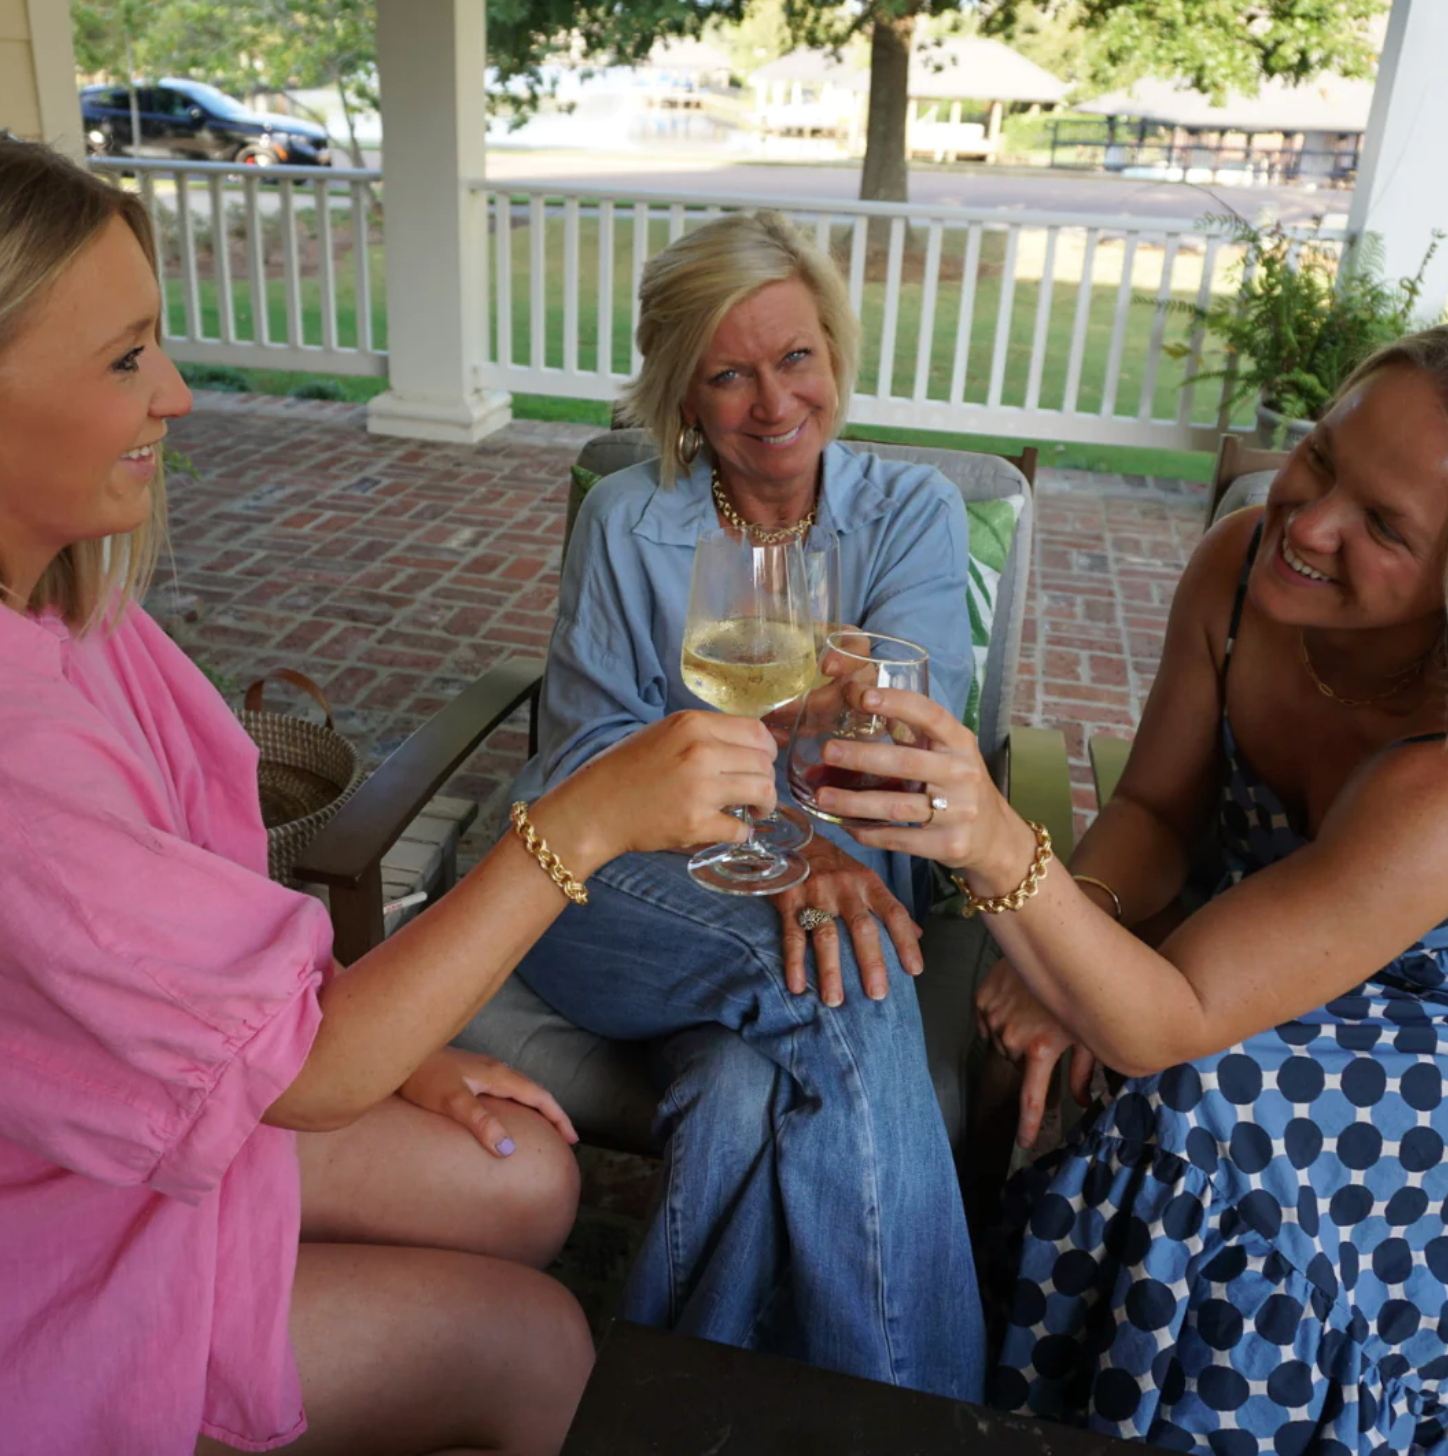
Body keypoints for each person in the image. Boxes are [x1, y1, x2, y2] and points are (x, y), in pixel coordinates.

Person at [0, 141, 782, 1456]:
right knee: (541, 1343)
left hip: (128, 1102)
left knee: (526, 1177)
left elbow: (172, 954)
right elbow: (307, 1069)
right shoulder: (19, 760)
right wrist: (583, 820)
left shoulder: (71, 607)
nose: (177, 394)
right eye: (127, 358)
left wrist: (398, 1050)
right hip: (54, 1231)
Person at [822, 324, 1448, 1454]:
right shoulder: (1239, 567)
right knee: (1105, 1047)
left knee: (1195, 1105)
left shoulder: (1438, 777)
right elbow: (1157, 807)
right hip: (1222, 951)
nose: (1309, 524)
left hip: (1409, 1055)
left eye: (1384, 526)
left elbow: (1173, 1020)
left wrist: (1003, 853)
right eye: (1318, 457)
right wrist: (1087, 919)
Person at [477, 210, 985, 1398]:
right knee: (847, 980)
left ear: (833, 353)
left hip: (825, 897)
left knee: (740, 1091)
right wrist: (790, 824)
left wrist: (853, 725)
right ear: (681, 394)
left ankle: (666, 1406)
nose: (771, 404)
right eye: (727, 374)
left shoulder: (910, 512)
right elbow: (582, 752)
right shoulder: (627, 518)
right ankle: (913, 1416)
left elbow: (913, 751)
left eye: (795, 356)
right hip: (608, 894)